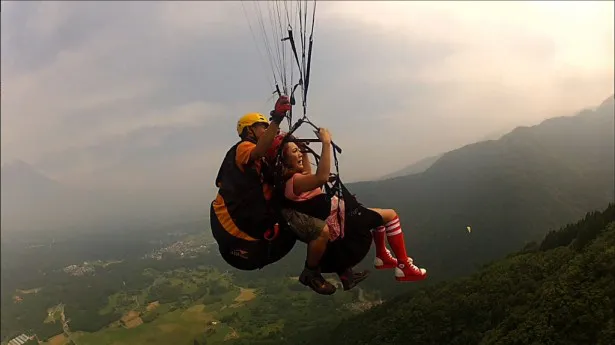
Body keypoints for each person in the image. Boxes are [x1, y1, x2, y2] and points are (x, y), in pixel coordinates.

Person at [266, 129, 428, 283]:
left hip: (340, 217)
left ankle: (382, 256)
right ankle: (403, 266)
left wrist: (305, 151)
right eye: (294, 152)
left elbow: (310, 176)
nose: (299, 153)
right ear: (284, 159)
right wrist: (326, 143)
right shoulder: (295, 182)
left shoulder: (290, 182)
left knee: (379, 216)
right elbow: (320, 177)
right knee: (391, 216)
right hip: (345, 221)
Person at [209, 95, 298, 271]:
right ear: (250, 131)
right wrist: (277, 119)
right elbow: (258, 152)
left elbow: (274, 176)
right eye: (262, 127)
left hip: (249, 236)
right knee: (294, 226)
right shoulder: (244, 148)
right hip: (238, 237)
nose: (267, 130)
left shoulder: (262, 160)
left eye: (267, 127)